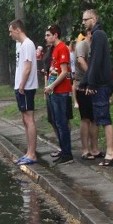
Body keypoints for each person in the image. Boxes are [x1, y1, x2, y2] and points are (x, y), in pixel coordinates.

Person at [80, 9, 113, 166]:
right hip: (101, 83)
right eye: (83, 20)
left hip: (101, 84)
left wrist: (91, 83)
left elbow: (96, 61)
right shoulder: (97, 35)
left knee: (104, 117)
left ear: (94, 18)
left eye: (86, 19)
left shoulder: (98, 35)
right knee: (101, 116)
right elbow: (92, 63)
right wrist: (85, 82)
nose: (83, 22)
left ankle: (111, 150)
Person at [8, 19, 38, 165]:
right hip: (21, 86)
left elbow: (27, 67)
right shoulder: (20, 45)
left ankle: (32, 153)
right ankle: (28, 151)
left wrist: (22, 85)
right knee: (24, 119)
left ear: (17, 30)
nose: (10, 34)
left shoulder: (27, 44)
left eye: (11, 31)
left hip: (26, 87)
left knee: (29, 119)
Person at [44, 24, 74, 165]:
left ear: (56, 35)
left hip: (60, 91)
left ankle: (67, 153)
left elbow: (64, 71)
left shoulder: (62, 48)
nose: (46, 38)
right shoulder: (55, 49)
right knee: (57, 121)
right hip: (54, 91)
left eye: (48, 35)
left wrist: (52, 86)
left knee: (61, 122)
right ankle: (63, 150)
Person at [74, 31, 102, 160]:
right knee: (85, 118)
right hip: (83, 84)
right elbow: (81, 60)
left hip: (94, 85)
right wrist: (92, 75)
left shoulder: (96, 46)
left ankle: (95, 148)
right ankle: (85, 149)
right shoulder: (82, 45)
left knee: (95, 118)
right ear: (89, 33)